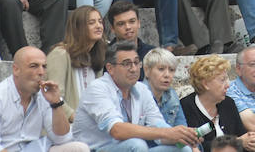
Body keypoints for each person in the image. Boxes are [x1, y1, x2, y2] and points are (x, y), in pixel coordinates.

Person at [70, 40, 198, 152]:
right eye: (126, 64)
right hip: (96, 149)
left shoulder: (141, 89)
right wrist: (168, 132)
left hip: (131, 148)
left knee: (183, 148)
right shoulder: (97, 89)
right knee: (137, 145)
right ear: (110, 68)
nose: (134, 69)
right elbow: (117, 130)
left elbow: (158, 125)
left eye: (136, 63)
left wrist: (183, 136)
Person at [0, 46, 89, 152]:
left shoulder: (45, 96)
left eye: (44, 67)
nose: (41, 72)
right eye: (34, 66)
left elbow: (62, 139)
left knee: (79, 148)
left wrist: (56, 104)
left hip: (37, 148)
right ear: (16, 70)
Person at [179, 55, 255, 147]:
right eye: (222, 80)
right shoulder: (187, 106)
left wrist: (251, 142)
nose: (227, 85)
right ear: (205, 84)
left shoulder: (228, 103)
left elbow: (242, 136)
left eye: (227, 79)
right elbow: (196, 147)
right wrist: (236, 142)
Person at [45, 6, 105, 118]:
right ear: (78, 27)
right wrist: (76, 118)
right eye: (91, 23)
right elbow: (54, 96)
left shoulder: (97, 57)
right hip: (65, 127)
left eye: (100, 22)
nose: (98, 26)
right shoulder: (60, 54)